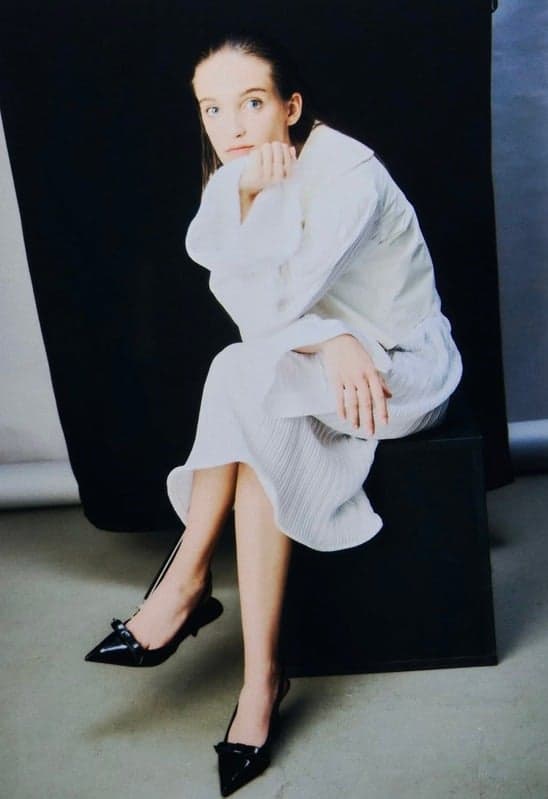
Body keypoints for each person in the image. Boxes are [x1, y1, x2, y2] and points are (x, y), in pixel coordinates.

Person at [85, 29, 463, 797]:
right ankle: (260, 681)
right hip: (327, 362)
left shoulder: (347, 173)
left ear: (290, 107)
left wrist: (332, 338)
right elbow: (238, 292)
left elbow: (264, 317)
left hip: (398, 371)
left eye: (252, 103)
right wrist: (326, 336)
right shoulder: (242, 175)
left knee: (237, 370)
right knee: (258, 430)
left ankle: (186, 581)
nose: (231, 126)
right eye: (212, 108)